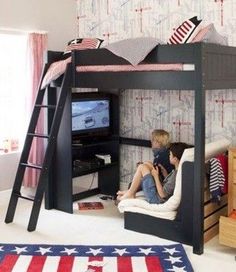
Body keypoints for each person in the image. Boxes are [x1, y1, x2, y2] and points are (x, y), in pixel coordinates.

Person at [117, 142, 189, 204]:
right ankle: (130, 191)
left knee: (142, 167)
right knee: (148, 164)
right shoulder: (178, 171)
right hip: (158, 193)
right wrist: (165, 173)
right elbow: (169, 185)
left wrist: (156, 176)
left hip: (156, 199)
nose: (169, 156)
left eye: (170, 154)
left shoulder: (176, 175)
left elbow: (162, 195)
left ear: (175, 159)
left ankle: (130, 193)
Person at [117, 129, 173, 199]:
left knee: (143, 168)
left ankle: (130, 192)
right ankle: (129, 191)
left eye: (153, 140)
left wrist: (143, 167)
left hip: (160, 185)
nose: (151, 142)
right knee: (146, 164)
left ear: (158, 143)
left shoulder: (162, 155)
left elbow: (155, 173)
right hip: (160, 181)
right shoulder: (164, 153)